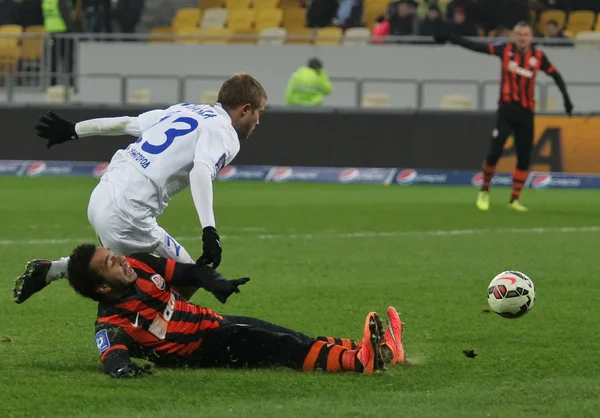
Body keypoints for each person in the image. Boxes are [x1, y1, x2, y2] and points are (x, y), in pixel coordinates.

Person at [13, 73, 267, 304]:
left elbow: (126, 123)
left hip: (103, 194)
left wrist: (73, 130)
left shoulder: (187, 110)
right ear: (246, 109)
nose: (257, 122)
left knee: (125, 260)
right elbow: (201, 170)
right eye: (259, 112)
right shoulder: (225, 133)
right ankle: (148, 337)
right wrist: (209, 230)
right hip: (129, 212)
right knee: (186, 276)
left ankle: (54, 270)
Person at [66, 244, 406, 377]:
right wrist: (124, 369)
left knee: (292, 336)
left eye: (113, 253)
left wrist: (215, 281)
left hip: (211, 323)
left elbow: (187, 273)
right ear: (102, 288)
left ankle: (383, 351)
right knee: (281, 346)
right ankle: (360, 363)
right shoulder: (110, 322)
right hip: (199, 350)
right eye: (111, 262)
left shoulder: (139, 265)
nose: (120, 258)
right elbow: (112, 357)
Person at [434, 22, 573, 212]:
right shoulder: (504, 49)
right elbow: (477, 47)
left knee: (524, 157)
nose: (522, 38)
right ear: (514, 37)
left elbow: (556, 75)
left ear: (531, 37)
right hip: (506, 111)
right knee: (495, 152)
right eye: (519, 35)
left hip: (526, 113)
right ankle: (484, 191)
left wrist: (566, 99)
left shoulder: (539, 57)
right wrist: (451, 38)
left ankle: (514, 199)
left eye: (526, 34)